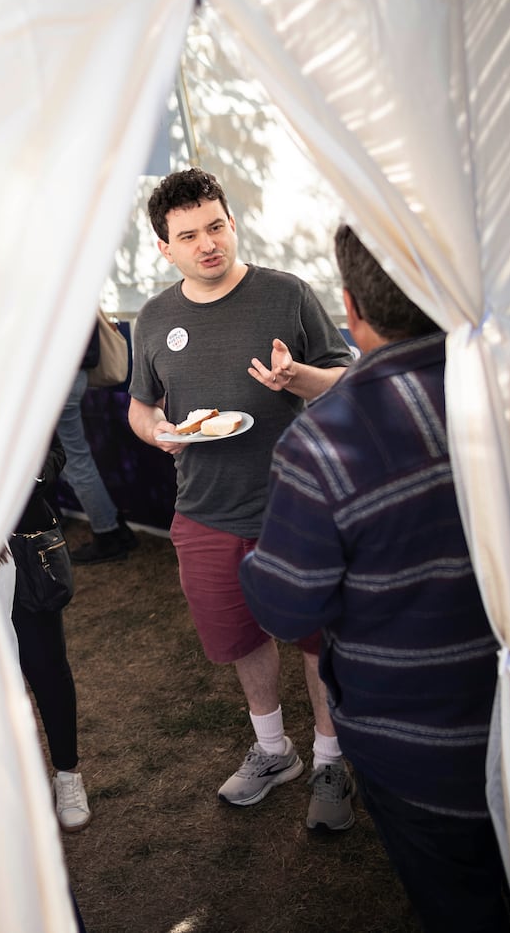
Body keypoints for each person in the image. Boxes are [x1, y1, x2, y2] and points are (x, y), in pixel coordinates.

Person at [239, 225, 510, 930]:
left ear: (350, 308)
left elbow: (289, 607)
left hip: (423, 747)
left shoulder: (325, 442)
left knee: (459, 905)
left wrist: (255, 561)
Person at [126, 167, 355, 829]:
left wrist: (298, 376)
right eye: (189, 235)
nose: (208, 244)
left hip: (298, 507)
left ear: (233, 224)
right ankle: (273, 749)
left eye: (217, 226)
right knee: (239, 637)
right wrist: (160, 434)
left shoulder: (287, 295)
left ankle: (330, 758)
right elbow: (141, 409)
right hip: (203, 511)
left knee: (316, 638)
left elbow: (343, 382)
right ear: (164, 248)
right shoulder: (154, 319)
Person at [8, 432, 92, 832]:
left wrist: (26, 477)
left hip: (23, 550)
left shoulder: (13, 379)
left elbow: (54, 451)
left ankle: (67, 775)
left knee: (46, 667)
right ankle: (11, 787)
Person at [58, 327, 138, 564]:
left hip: (57, 378)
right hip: (72, 374)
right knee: (76, 459)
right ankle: (115, 529)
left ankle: (108, 535)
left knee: (74, 462)